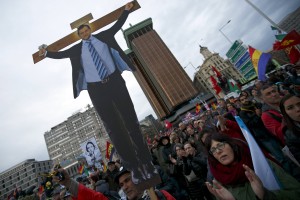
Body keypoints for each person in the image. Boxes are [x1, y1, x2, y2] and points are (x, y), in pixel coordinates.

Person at [38, 2, 155, 183]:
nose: (84, 33)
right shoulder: (77, 49)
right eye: (81, 32)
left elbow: (117, 24)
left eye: (86, 30)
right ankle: (133, 168)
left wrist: (125, 11)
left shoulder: (104, 36)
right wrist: (46, 53)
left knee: (131, 122)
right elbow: (60, 54)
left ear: (90, 29)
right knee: (114, 130)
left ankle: (146, 163)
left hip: (115, 82)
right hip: (97, 90)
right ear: (78, 35)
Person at [204, 133, 300, 200]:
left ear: (231, 145)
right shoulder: (218, 184)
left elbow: (296, 192)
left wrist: (265, 195)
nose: (218, 151)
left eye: (220, 145)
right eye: (213, 150)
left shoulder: (260, 163)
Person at [52, 167, 175, 200]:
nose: (125, 187)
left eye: (127, 181)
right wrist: (68, 182)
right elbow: (93, 198)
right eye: (121, 185)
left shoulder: (160, 196)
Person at [279, 94, 300, 163]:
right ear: (285, 113)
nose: (298, 109)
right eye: (290, 108)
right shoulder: (290, 136)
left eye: (299, 104)